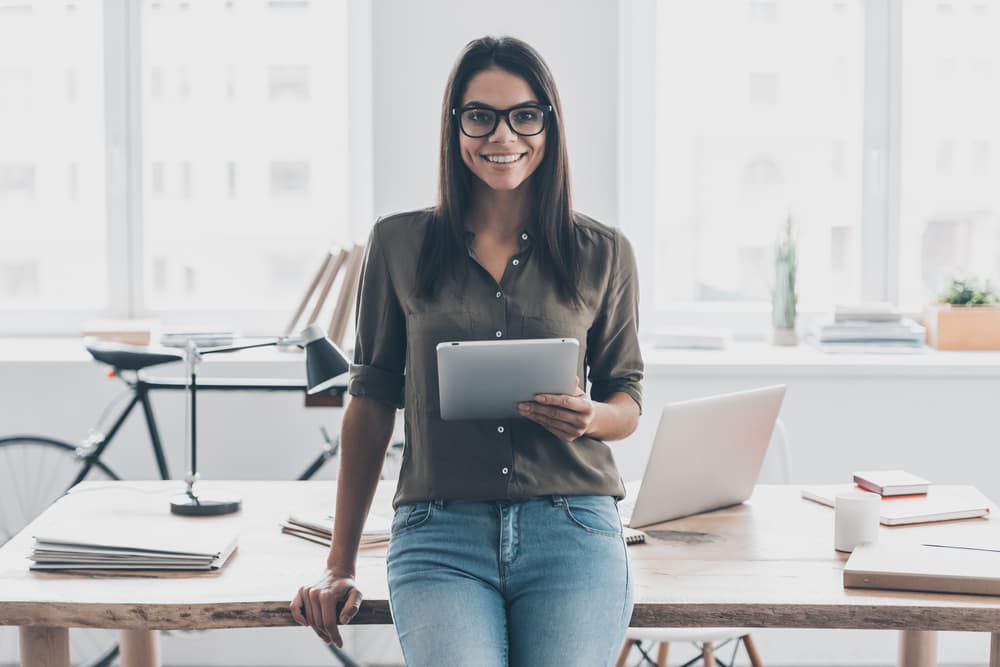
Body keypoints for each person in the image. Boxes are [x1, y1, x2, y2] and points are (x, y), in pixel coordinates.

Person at [290, 35, 643, 667]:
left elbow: (627, 397)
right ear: (455, 125)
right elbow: (370, 402)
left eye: (524, 115)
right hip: (440, 533)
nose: (503, 136)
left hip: (572, 526)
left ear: (549, 124)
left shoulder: (603, 252)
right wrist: (337, 564)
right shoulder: (398, 244)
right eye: (480, 115)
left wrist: (591, 416)